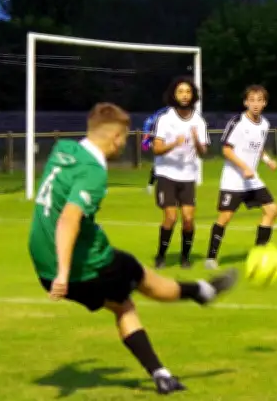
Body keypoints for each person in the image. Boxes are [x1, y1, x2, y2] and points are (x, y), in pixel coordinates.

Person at [28, 102, 237, 396]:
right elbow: (67, 220)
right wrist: (64, 273)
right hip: (79, 264)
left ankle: (199, 295)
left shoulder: (63, 149)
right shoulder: (94, 174)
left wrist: (57, 274)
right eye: (125, 137)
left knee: (119, 297)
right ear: (115, 137)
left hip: (42, 266)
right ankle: (198, 297)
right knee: (131, 292)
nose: (125, 144)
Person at [204, 85, 277, 269]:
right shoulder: (237, 121)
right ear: (245, 102)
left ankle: (259, 253)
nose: (255, 104)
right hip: (233, 179)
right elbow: (226, 149)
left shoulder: (265, 124)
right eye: (251, 100)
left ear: (264, 103)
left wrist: (267, 160)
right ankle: (211, 258)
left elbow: (258, 146)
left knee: (271, 210)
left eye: (259, 100)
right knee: (225, 218)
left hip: (252, 179)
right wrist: (244, 167)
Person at [151, 77, 209, 269]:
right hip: (167, 174)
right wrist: (174, 144)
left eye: (188, 91)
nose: (184, 95)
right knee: (170, 217)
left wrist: (197, 141)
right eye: (180, 92)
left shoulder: (198, 121)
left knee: (189, 219)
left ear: (193, 95)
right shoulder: (165, 119)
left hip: (188, 176)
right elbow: (156, 148)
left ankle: (185, 258)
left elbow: (203, 152)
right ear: (173, 95)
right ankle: (161, 256)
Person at [141, 104, 170, 194]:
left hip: (171, 142)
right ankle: (152, 187)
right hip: (164, 141)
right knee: (159, 164)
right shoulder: (164, 112)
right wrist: (146, 139)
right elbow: (149, 121)